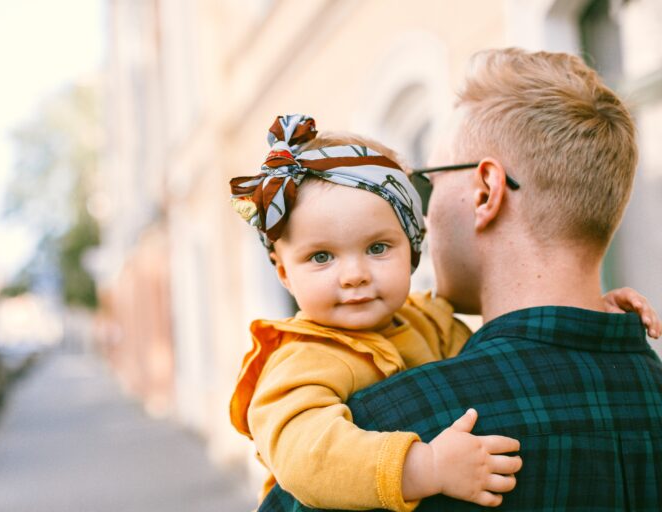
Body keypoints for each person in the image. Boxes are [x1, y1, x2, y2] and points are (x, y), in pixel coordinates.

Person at [260, 49, 662, 511]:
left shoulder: (388, 429)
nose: (425, 218)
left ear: (485, 192)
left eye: (430, 182)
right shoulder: (650, 389)